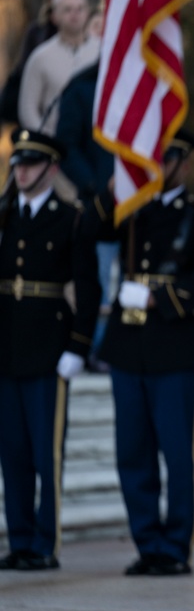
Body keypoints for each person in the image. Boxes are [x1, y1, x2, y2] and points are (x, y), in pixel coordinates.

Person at [87, 128, 194, 576]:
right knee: (132, 451)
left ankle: (175, 547)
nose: (155, 168)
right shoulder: (130, 208)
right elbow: (90, 229)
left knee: (177, 451)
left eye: (164, 160)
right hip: (129, 347)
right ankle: (146, 541)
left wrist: (159, 299)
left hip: (177, 347)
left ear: (183, 164)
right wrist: (114, 186)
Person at [0, 128, 100, 571]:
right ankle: (19, 538)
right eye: (17, 163)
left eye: (31, 164)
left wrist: (78, 345)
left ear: (51, 169)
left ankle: (45, 543)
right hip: (7, 349)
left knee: (46, 453)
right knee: (14, 453)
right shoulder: (3, 215)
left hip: (48, 348)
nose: (21, 171)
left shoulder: (71, 218)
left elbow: (89, 288)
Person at [56, 61, 116, 371]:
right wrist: (92, 185)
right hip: (99, 205)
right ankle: (95, 347)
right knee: (99, 278)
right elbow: (67, 142)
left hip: (140, 204)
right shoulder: (82, 88)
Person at [17, 0, 99, 135]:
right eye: (67, 10)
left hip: (95, 143)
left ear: (88, 12)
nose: (75, 14)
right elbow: (27, 109)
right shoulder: (40, 57)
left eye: (80, 9)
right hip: (54, 145)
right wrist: (46, 139)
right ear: (55, 16)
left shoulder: (101, 52)